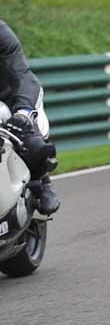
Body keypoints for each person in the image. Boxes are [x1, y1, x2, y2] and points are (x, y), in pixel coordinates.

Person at [0, 20, 60, 215]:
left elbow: (22, 75)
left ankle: (41, 183)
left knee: (32, 145)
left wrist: (24, 114)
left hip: (12, 98)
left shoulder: (2, 35)